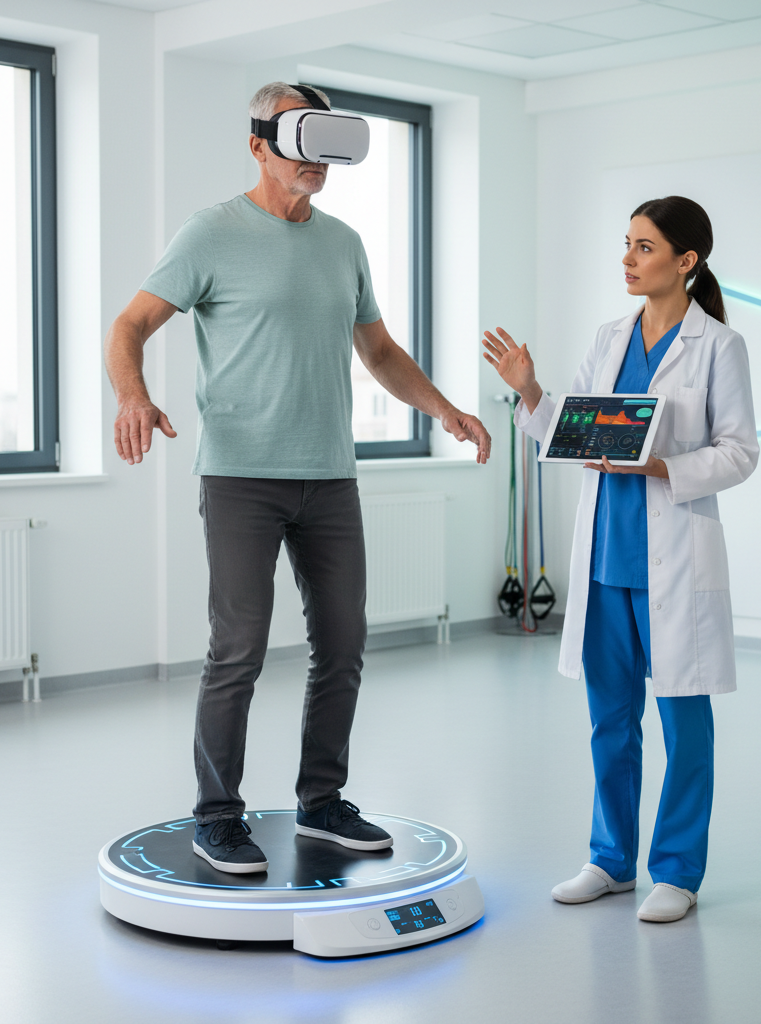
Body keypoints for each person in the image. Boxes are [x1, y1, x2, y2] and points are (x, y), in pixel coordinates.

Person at [104, 82, 490, 874]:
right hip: (241, 477)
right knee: (238, 649)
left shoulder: (343, 243)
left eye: (326, 144)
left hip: (330, 478)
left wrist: (445, 410)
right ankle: (217, 817)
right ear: (258, 145)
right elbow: (131, 324)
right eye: (299, 141)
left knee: (343, 644)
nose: (317, 161)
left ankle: (322, 802)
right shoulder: (211, 233)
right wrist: (133, 395)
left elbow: (379, 351)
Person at [482, 196, 757, 922]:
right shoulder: (610, 338)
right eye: (627, 244)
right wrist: (530, 390)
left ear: (686, 261)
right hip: (606, 560)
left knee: (684, 727)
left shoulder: (719, 347)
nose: (628, 259)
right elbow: (570, 431)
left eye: (644, 247)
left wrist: (663, 467)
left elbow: (740, 453)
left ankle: (677, 872)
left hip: (674, 560)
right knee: (610, 722)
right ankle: (609, 861)